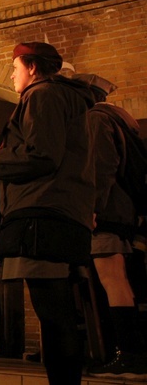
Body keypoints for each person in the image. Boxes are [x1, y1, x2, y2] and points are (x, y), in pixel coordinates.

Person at [0, 42, 95, 384]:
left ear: (32, 67)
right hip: (57, 211)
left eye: (15, 67)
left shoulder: (43, 96)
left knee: (54, 315)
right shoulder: (63, 98)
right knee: (57, 314)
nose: (12, 73)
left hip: (42, 213)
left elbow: (42, 154)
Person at [71, 73, 147, 378]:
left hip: (107, 211)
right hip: (120, 209)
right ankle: (124, 353)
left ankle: (129, 355)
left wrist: (92, 207)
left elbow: (100, 168)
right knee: (117, 280)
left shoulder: (95, 120)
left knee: (113, 280)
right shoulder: (121, 120)